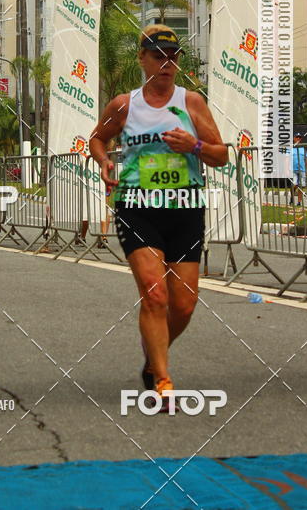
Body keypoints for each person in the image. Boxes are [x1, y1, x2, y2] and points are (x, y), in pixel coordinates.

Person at [90, 25, 227, 411]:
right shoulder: (124, 104)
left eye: (173, 57)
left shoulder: (192, 103)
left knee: (183, 305)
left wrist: (194, 145)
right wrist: (104, 162)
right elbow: (97, 138)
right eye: (158, 56)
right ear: (142, 59)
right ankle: (163, 381)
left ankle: (153, 358)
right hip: (137, 205)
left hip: (184, 208)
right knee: (154, 293)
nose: (167, 64)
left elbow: (222, 154)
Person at [291, 134, 307, 206]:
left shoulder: (303, 148)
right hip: (293, 170)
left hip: (302, 170)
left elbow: (306, 160)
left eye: (299, 137)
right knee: (295, 184)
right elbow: (287, 159)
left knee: (301, 186)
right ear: (294, 138)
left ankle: (299, 202)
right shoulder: (291, 148)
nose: (298, 138)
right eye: (297, 137)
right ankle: (292, 197)